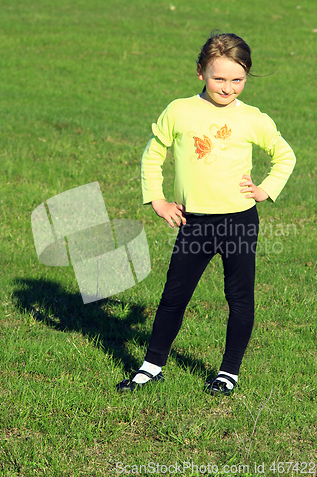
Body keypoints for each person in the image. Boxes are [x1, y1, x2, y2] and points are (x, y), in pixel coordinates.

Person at [116, 32, 296, 395]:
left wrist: (265, 189)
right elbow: (153, 154)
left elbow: (285, 155)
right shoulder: (179, 110)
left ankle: (228, 372)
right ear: (200, 72)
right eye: (219, 78)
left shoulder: (254, 119)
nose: (228, 88)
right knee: (173, 297)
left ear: (246, 77)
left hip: (239, 222)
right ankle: (152, 366)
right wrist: (158, 199)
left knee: (240, 298)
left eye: (237, 80)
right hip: (194, 224)